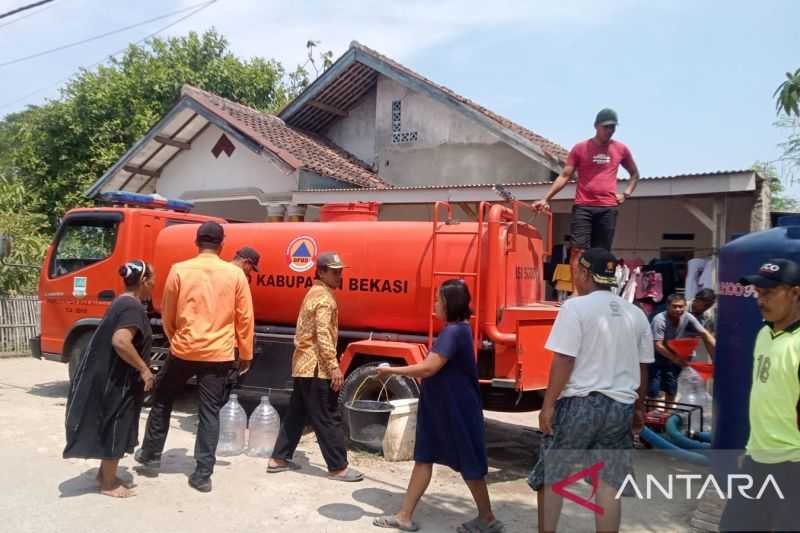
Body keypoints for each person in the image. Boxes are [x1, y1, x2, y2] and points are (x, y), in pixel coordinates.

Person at [528, 248, 654, 533]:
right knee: (609, 482)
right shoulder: (635, 313)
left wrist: (548, 405)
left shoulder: (575, 307)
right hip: (620, 407)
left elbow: (564, 359)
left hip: (580, 405)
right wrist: (638, 408)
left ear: (584, 274)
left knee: (553, 475)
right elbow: (644, 367)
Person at [372, 280, 505, 533]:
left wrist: (390, 371)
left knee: (469, 463)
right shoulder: (456, 330)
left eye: (438, 300)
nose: (435, 304)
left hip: (456, 411)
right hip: (441, 410)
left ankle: (487, 518)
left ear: (449, 303)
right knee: (424, 458)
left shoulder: (454, 332)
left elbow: (428, 367)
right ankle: (404, 515)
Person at [135, 221, 254, 493]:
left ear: (196, 243)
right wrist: (245, 354)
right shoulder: (234, 275)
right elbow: (245, 318)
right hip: (219, 354)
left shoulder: (179, 270)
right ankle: (202, 475)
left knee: (163, 401)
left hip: (184, 350)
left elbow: (167, 312)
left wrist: (178, 337)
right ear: (222, 245)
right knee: (209, 412)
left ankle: (151, 456)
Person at [719, 259, 800, 532]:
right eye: (757, 292)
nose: (759, 300)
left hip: (793, 464)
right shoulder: (765, 334)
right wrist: (751, 448)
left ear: (795, 293)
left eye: (768, 293)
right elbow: (766, 397)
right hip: (758, 458)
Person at [63, 260, 156, 498]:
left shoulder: (121, 301)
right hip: (118, 379)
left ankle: (105, 475)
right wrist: (144, 369)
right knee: (117, 422)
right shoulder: (132, 307)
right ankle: (109, 483)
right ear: (143, 281)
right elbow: (121, 341)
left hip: (110, 376)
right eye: (152, 278)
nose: (155, 283)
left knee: (111, 421)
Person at [267, 252, 363, 482]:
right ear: (321, 272)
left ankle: (278, 459)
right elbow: (322, 335)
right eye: (335, 272)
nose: (340, 276)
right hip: (316, 368)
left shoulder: (313, 293)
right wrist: (334, 366)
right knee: (327, 416)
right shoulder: (324, 299)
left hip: (303, 365)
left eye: (341, 271)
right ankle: (338, 467)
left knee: (297, 414)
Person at [533, 109, 640, 292]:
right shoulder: (581, 148)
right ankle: (577, 291)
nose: (610, 130)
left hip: (607, 208)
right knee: (578, 250)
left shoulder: (620, 149)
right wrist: (545, 198)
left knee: (603, 252)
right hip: (584, 206)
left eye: (613, 127)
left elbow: (634, 174)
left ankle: (601, 290)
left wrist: (626, 193)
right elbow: (565, 175)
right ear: (596, 126)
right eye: (606, 127)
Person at [649, 293, 716, 405]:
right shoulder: (659, 320)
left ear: (685, 306)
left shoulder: (688, 316)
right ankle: (651, 416)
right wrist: (675, 359)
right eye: (674, 306)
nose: (678, 309)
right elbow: (658, 345)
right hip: (656, 355)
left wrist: (716, 356)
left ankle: (667, 415)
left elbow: (705, 334)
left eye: (680, 306)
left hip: (674, 355)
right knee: (653, 390)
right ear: (668, 306)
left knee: (671, 388)